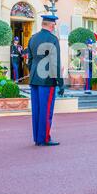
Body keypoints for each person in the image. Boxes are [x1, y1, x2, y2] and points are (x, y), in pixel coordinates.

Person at [27, 14, 64, 146]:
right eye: (54, 25)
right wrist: (60, 82)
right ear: (51, 25)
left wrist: (33, 73)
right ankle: (45, 138)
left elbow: (29, 61)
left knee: (36, 110)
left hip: (34, 78)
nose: (54, 27)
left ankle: (37, 138)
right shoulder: (53, 39)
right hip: (47, 79)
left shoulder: (32, 38)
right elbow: (55, 62)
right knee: (46, 110)